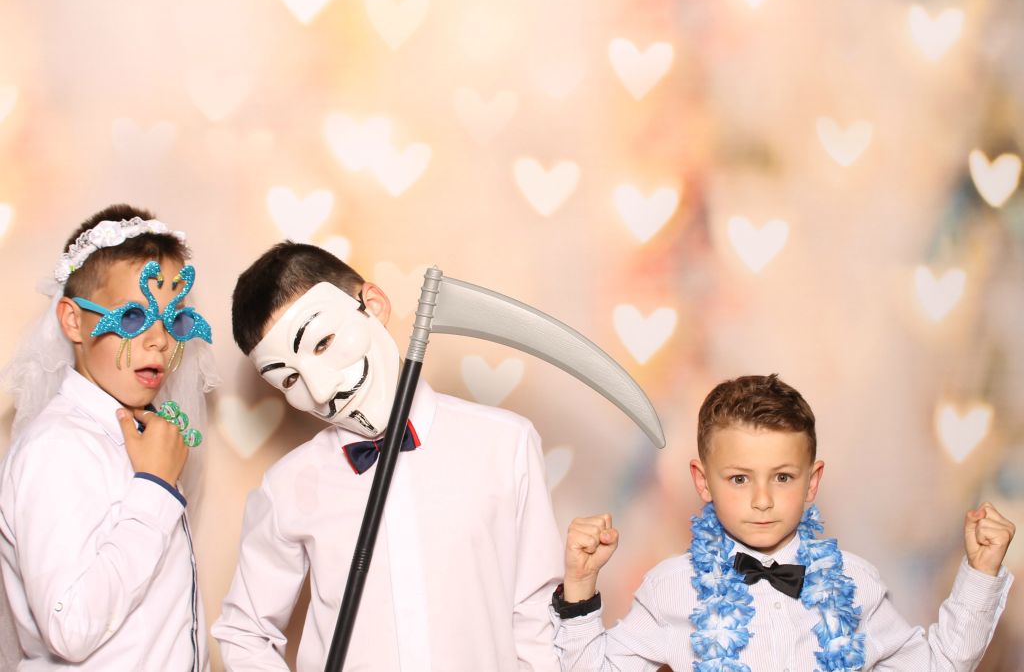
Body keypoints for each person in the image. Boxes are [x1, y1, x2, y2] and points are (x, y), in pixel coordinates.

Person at [212, 242, 563, 670]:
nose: (320, 390)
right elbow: (244, 631)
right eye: (289, 380)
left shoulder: (506, 444)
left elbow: (536, 620)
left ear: (373, 305)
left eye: (322, 343)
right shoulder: (286, 487)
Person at [552, 374, 1016, 671]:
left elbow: (939, 665)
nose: (762, 500)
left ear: (812, 482)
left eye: (782, 477)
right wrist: (580, 587)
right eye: (739, 479)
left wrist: (980, 574)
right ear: (703, 481)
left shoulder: (855, 582)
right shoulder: (672, 586)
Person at [0, 205, 217, 670]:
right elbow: (70, 627)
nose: (159, 340)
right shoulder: (58, 447)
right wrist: (155, 489)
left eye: (175, 320)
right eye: (135, 316)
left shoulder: (146, 435)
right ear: (73, 320)